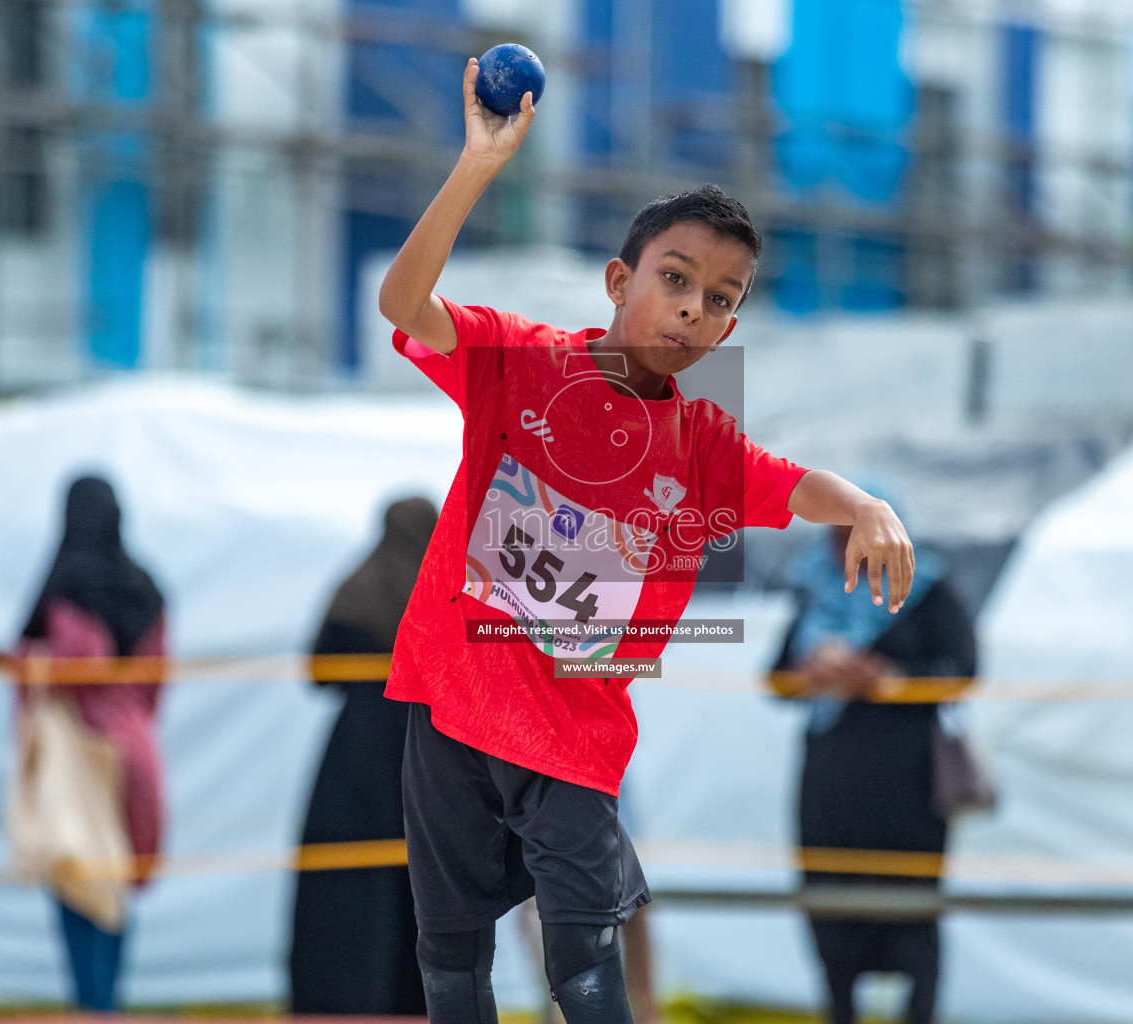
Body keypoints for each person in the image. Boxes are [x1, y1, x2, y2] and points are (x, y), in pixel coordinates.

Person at [376, 58, 916, 1024]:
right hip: (458, 698)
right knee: (451, 965)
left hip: (575, 739)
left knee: (587, 969)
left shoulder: (703, 445)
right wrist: (476, 166)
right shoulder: (522, 361)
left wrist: (868, 505)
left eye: (718, 298)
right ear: (621, 280)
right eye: (674, 280)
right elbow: (402, 304)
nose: (691, 310)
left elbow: (802, 488)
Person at [0, 476, 167, 1012]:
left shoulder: (70, 586)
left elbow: (77, 666)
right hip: (134, 751)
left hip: (76, 756)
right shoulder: (149, 591)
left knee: (77, 884)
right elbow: (156, 681)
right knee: (112, 888)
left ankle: (94, 1007)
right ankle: (105, 1002)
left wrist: (5, 659)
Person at [770, 485, 976, 1024]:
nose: (841, 545)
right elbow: (775, 680)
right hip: (830, 791)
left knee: (912, 911)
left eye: (852, 532)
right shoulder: (815, 589)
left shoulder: (927, 589)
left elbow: (962, 671)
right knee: (830, 909)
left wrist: (886, 680)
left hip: (906, 790)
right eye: (835, 533)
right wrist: (813, 672)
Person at [288, 496, 437, 1016]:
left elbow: (318, 671)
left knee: (345, 886)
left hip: (353, 761)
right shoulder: (443, 596)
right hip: (428, 760)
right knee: (426, 889)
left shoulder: (356, 589)